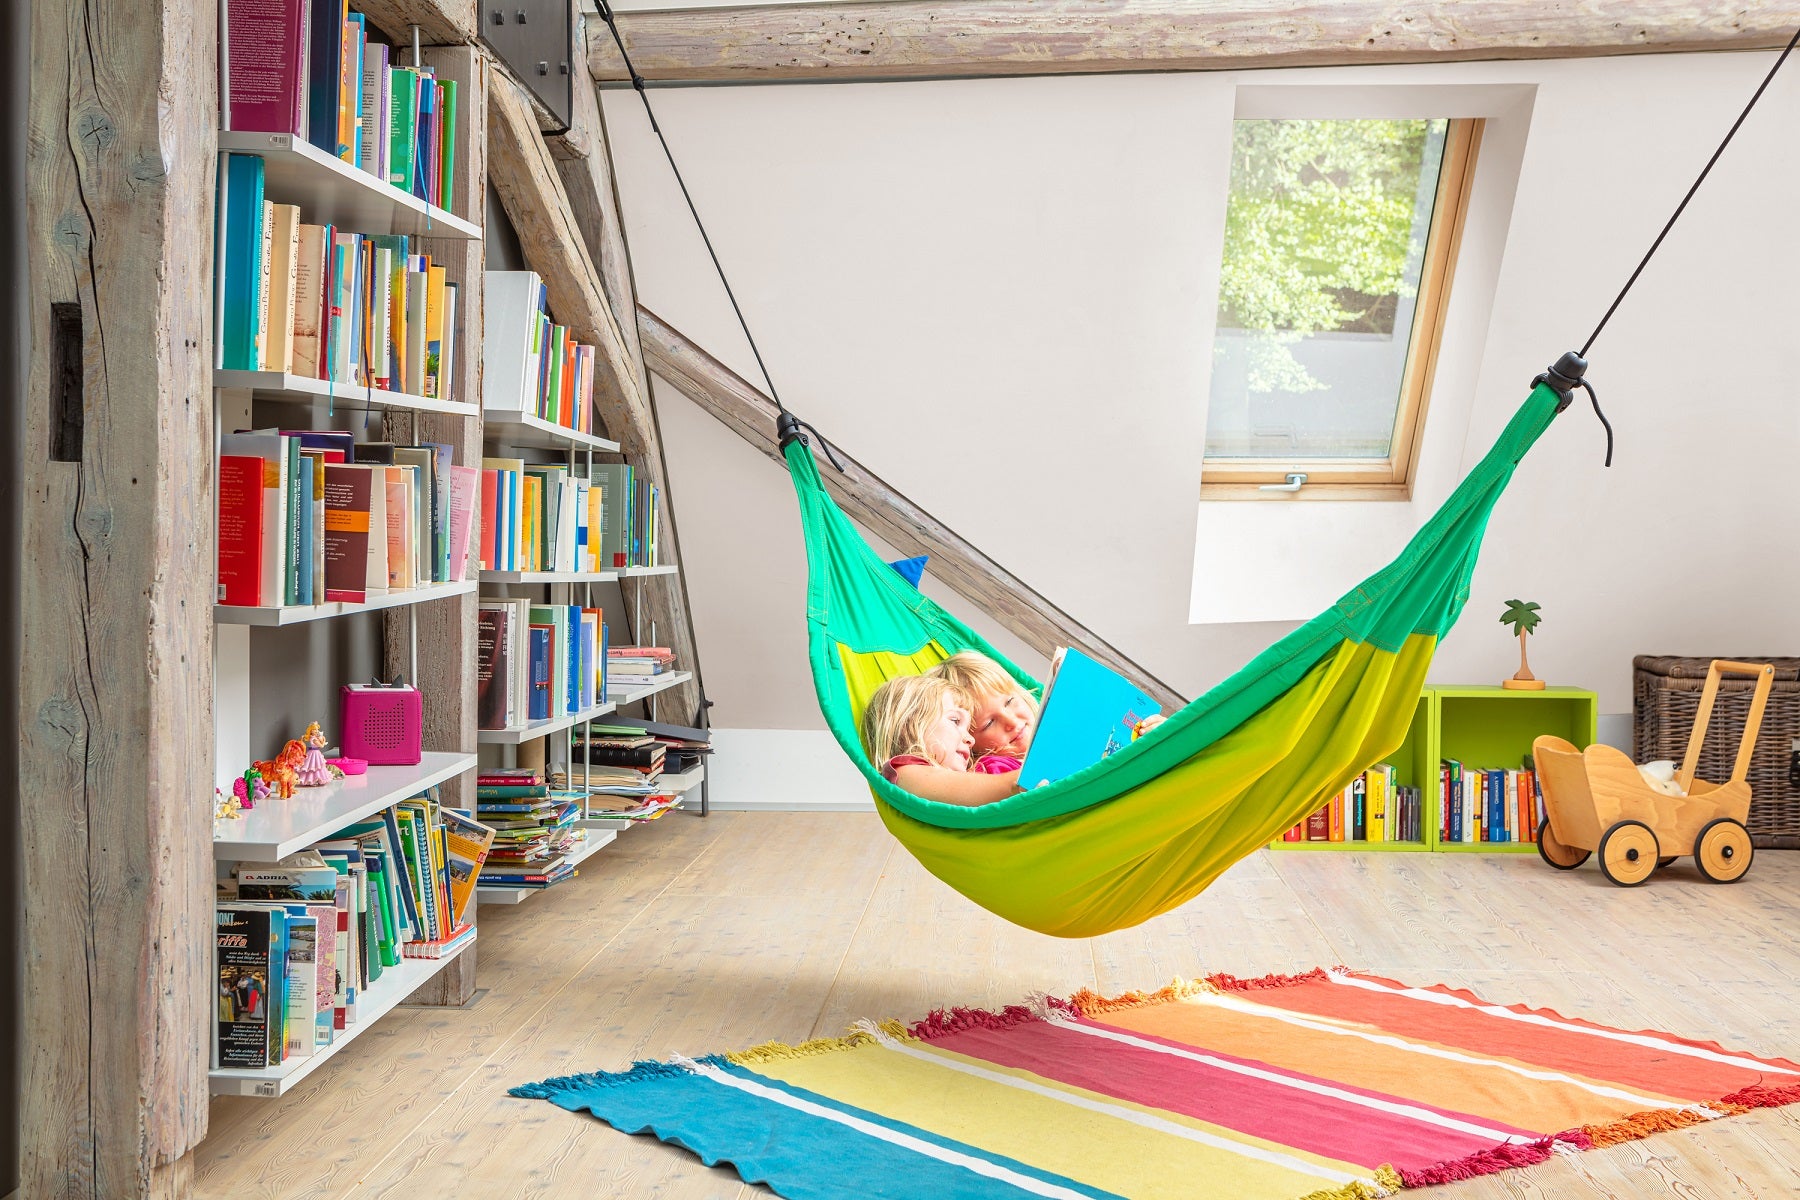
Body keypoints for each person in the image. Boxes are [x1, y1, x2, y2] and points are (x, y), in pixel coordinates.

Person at [933, 650, 1165, 771]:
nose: (1011, 721)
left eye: (1010, 702)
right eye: (989, 723)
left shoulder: (1063, 724)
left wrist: (1154, 733)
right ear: (970, 741)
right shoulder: (994, 770)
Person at [860, 674, 1020, 807]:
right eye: (956, 721)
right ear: (910, 724)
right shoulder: (905, 773)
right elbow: (1010, 786)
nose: (971, 739)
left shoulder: (979, 767)